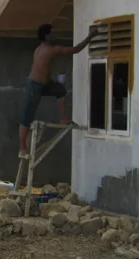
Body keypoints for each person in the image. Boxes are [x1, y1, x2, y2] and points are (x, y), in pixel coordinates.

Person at [19, 24, 99, 158]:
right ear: (46, 36)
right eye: (52, 34)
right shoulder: (50, 50)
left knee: (60, 90)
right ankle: (22, 148)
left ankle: (64, 119)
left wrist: (50, 82)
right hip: (34, 86)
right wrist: (90, 36)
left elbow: (42, 70)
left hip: (42, 84)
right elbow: (75, 49)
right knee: (27, 116)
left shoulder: (39, 49)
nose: (55, 36)